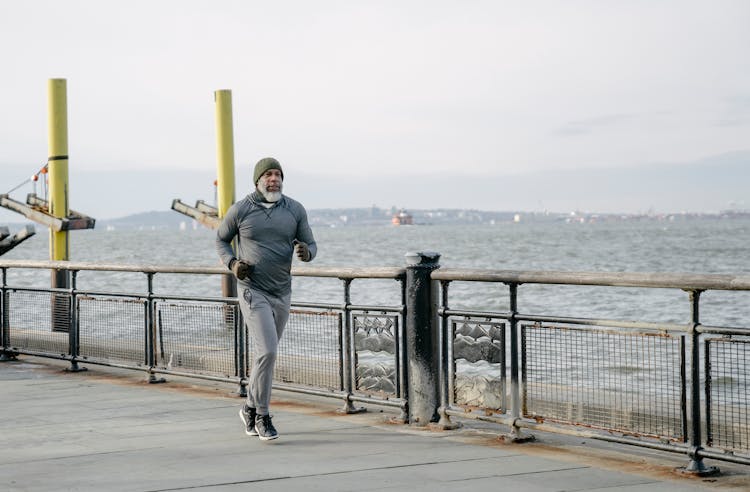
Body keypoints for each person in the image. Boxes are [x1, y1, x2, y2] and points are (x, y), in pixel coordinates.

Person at [216, 157, 317, 441]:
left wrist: (307, 253)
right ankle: (262, 415)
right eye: (268, 175)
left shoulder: (294, 209)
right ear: (257, 180)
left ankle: (248, 407)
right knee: (269, 351)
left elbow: (311, 243)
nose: (274, 179)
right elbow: (221, 240)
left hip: (282, 290)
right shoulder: (242, 209)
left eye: (278, 174)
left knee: (265, 356)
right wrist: (233, 263)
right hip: (252, 289)